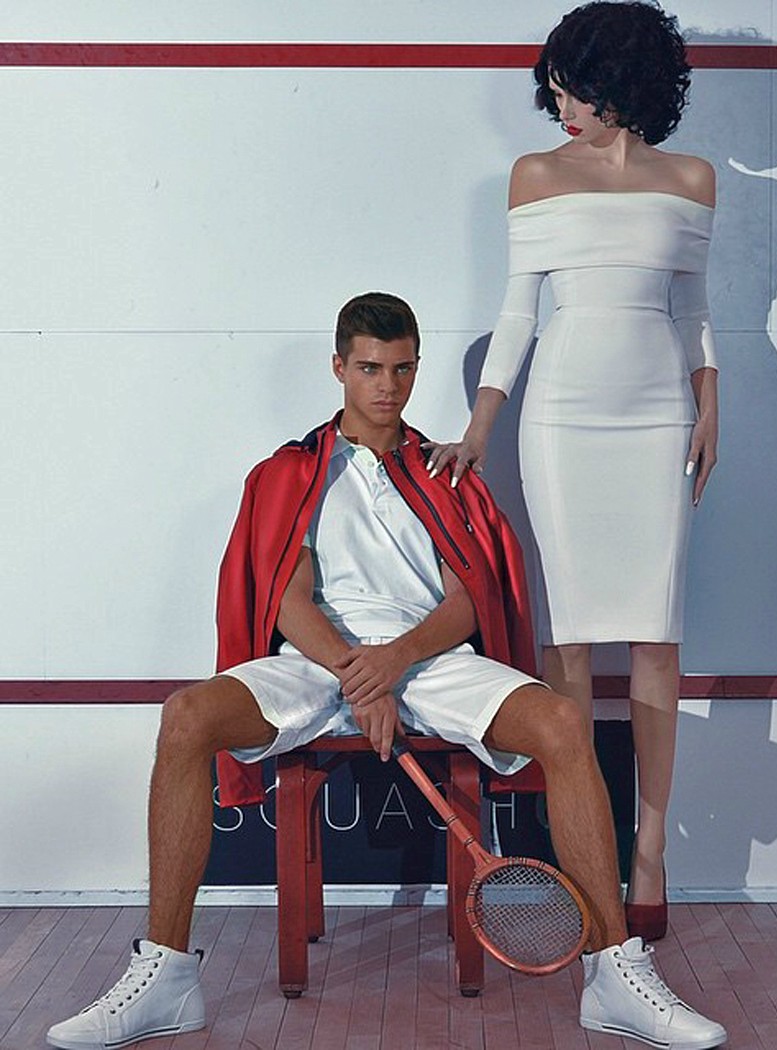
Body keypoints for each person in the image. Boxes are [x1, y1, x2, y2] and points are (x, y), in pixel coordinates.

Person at [47, 292, 726, 1050]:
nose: (387, 386)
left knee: (563, 722)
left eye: (402, 369)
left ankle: (612, 972)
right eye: (370, 368)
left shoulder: (444, 470)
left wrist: (394, 662)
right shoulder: (293, 471)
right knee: (186, 716)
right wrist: (356, 675)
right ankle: (167, 975)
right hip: (320, 661)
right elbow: (287, 598)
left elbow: (469, 600)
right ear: (339, 367)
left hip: (429, 660)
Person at [425, 1, 718, 943]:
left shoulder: (691, 179)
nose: (559, 109)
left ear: (618, 84)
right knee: (572, 641)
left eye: (571, 91)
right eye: (553, 92)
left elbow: (692, 312)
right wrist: (479, 427)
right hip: (560, 419)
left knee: (658, 637)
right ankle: (582, 855)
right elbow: (518, 314)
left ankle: (649, 855)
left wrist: (712, 402)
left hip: (659, 416)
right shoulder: (537, 175)